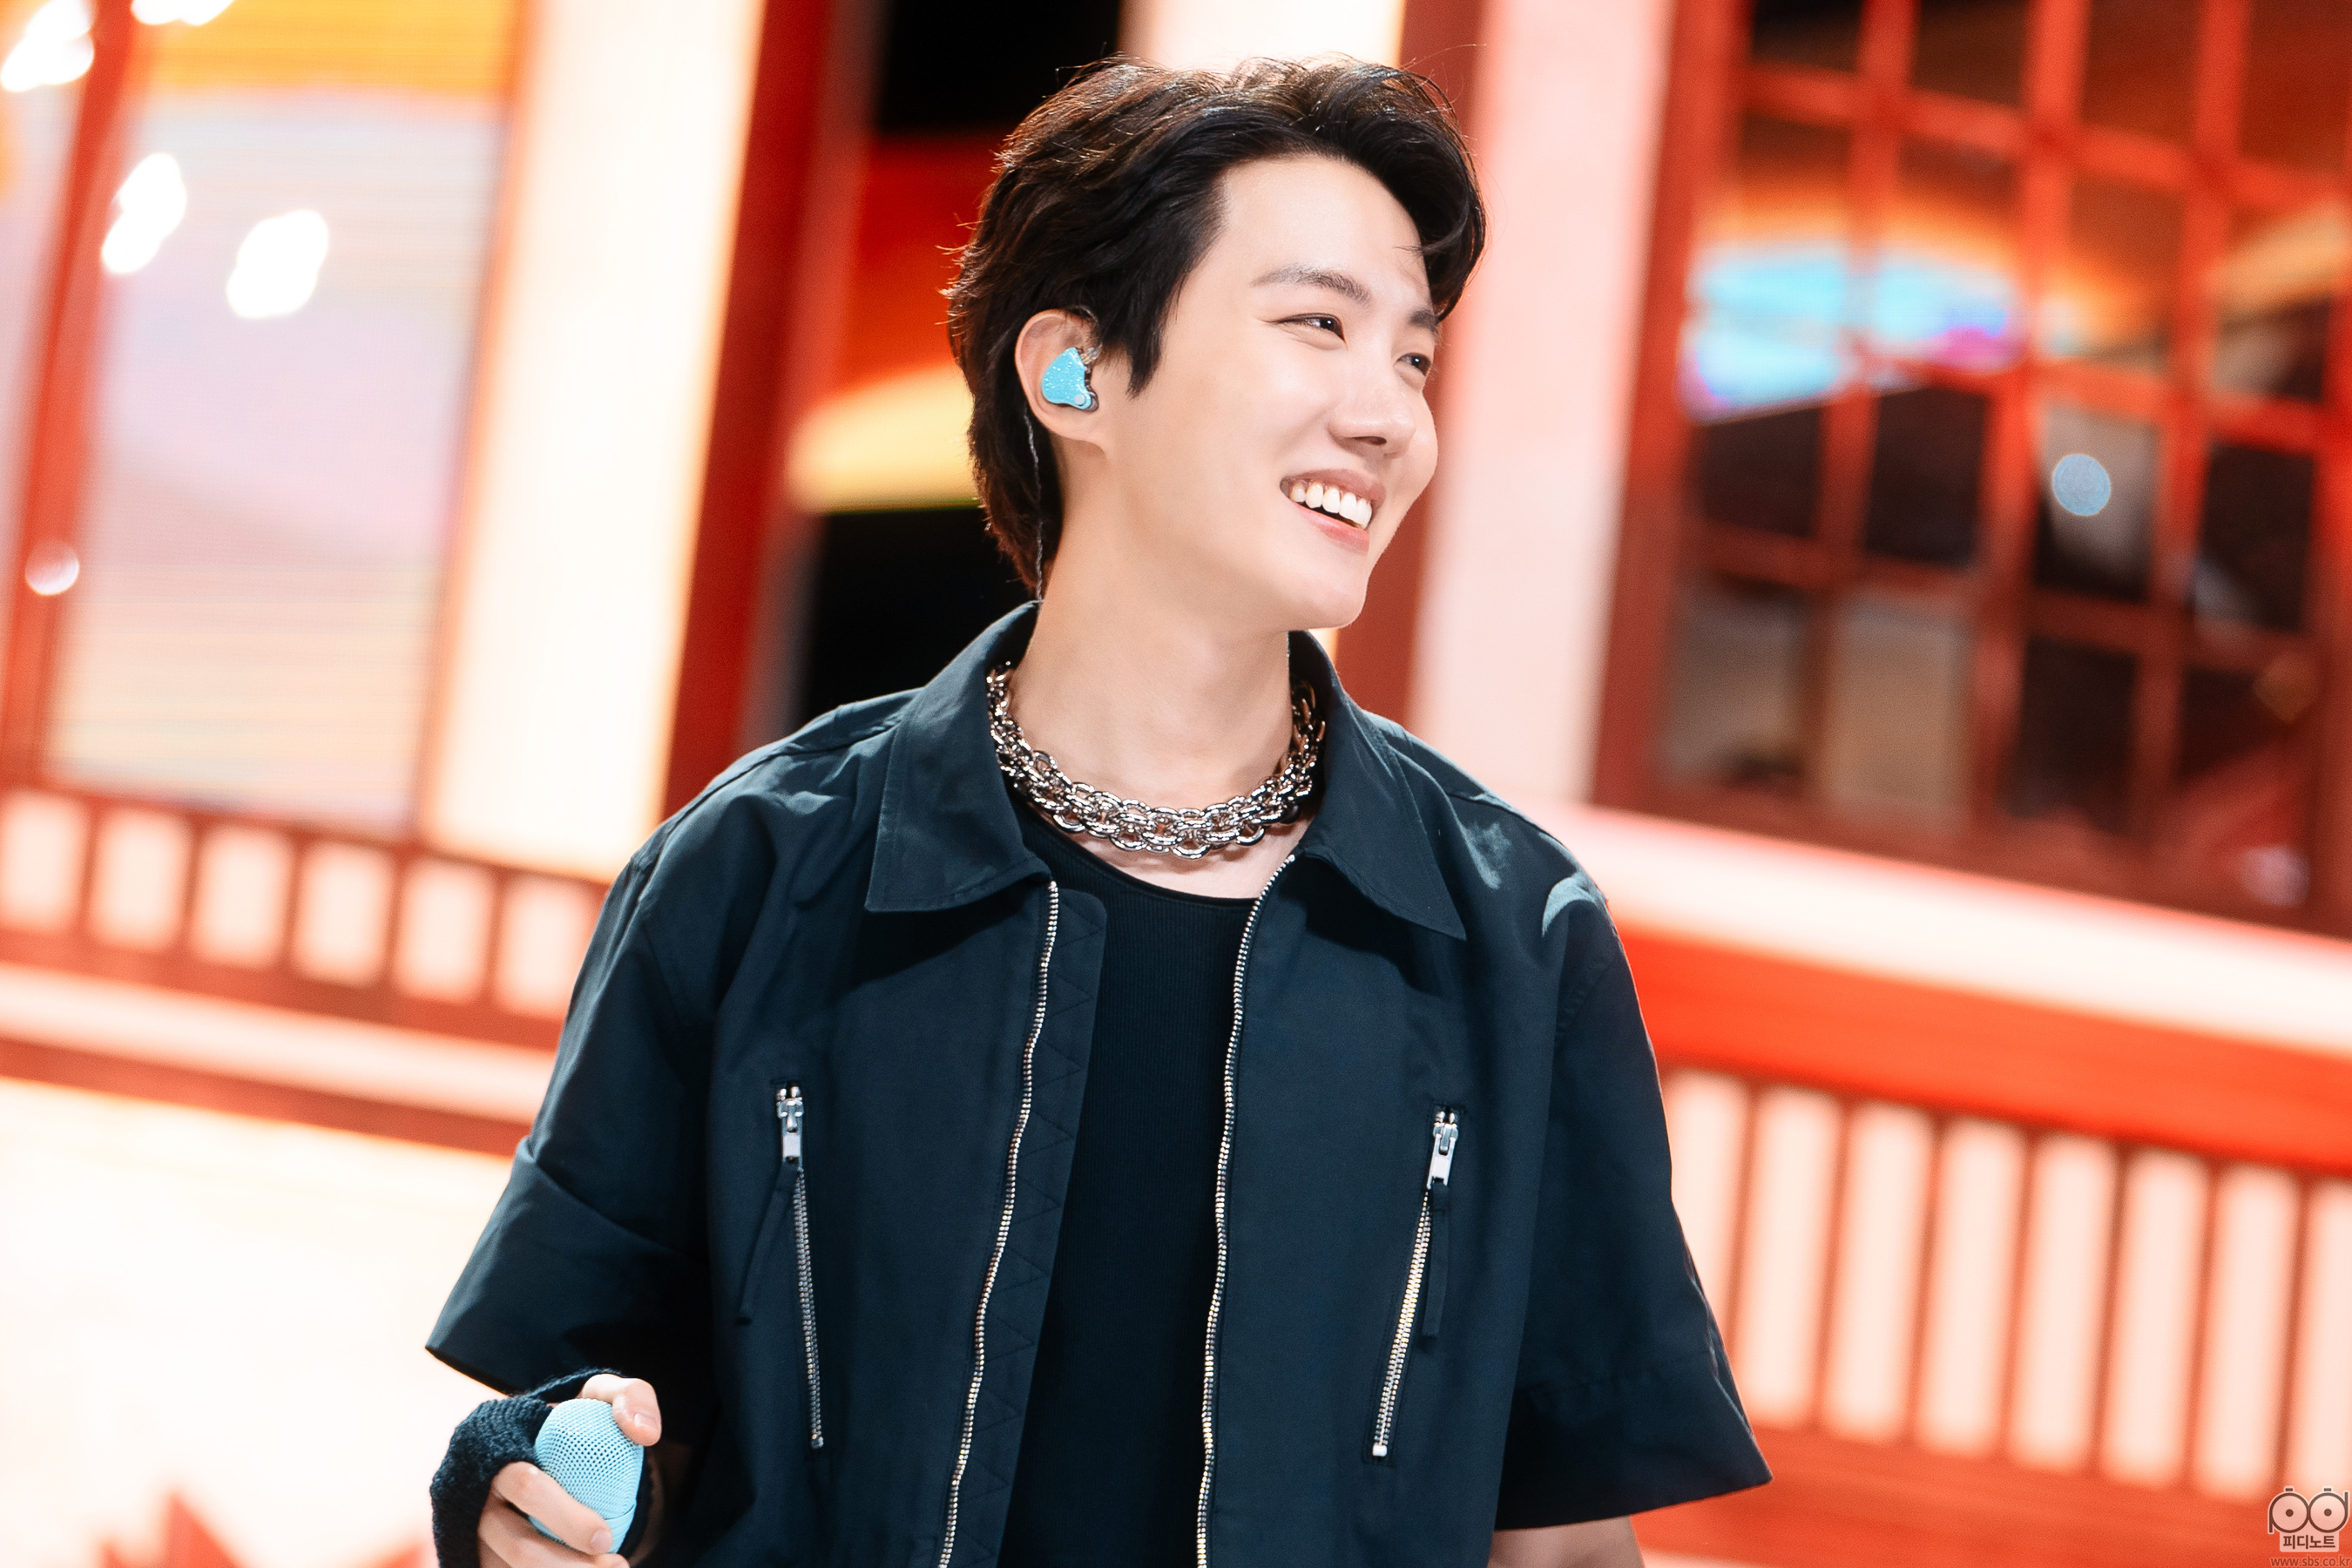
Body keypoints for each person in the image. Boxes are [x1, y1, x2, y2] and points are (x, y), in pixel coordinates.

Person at [426, 55, 1768, 1568]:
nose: (1389, 415)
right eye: (1319, 324)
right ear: (1075, 373)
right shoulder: (756, 873)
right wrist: (511, 1488)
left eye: (1414, 357)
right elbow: (581, 1419)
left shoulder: (1512, 941)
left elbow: (1568, 1544)